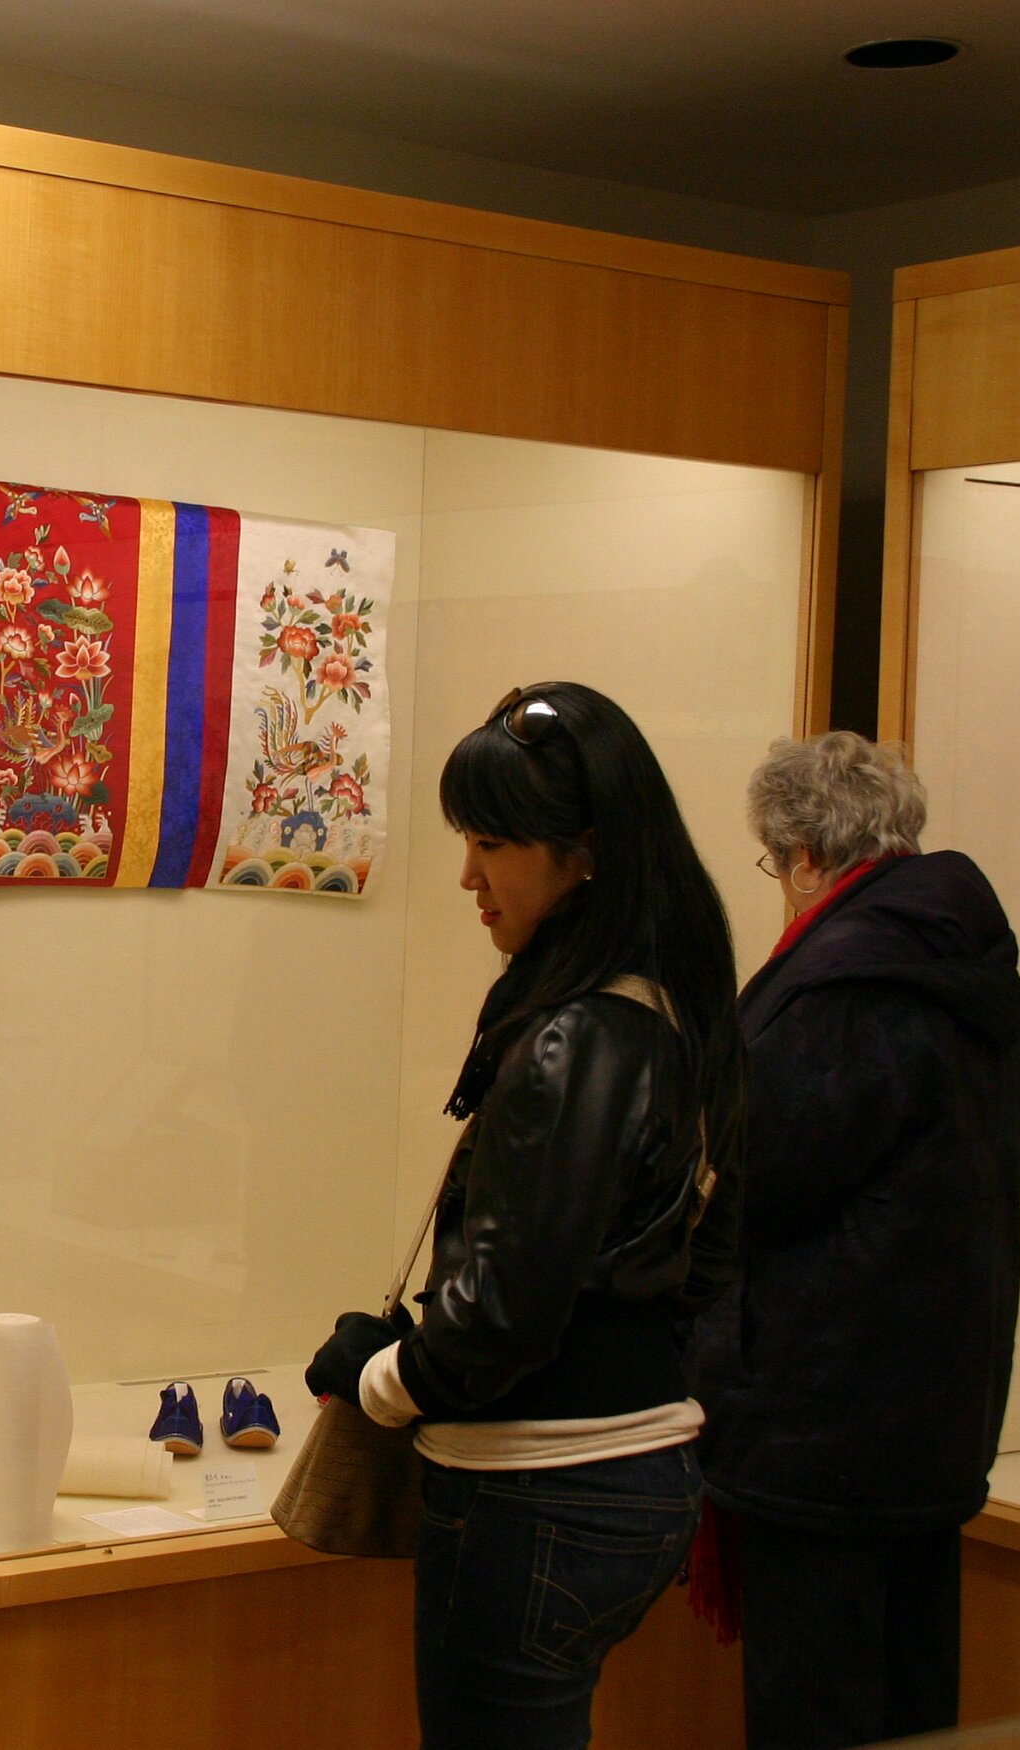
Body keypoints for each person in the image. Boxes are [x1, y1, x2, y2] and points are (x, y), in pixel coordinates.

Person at [307, 682, 745, 1750]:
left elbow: (503, 1313)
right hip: (641, 1467)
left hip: (536, 1488)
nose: (468, 876)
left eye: (492, 844)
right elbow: (707, 1255)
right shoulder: (669, 1004)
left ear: (583, 851)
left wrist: (382, 1379)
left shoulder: (577, 1035)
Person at [688, 732, 1020, 1750]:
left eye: (773, 862)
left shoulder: (836, 987)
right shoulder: (965, 970)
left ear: (805, 854)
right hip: (935, 1415)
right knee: (915, 1702)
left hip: (820, 1427)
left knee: (815, 1707)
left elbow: (753, 1185)